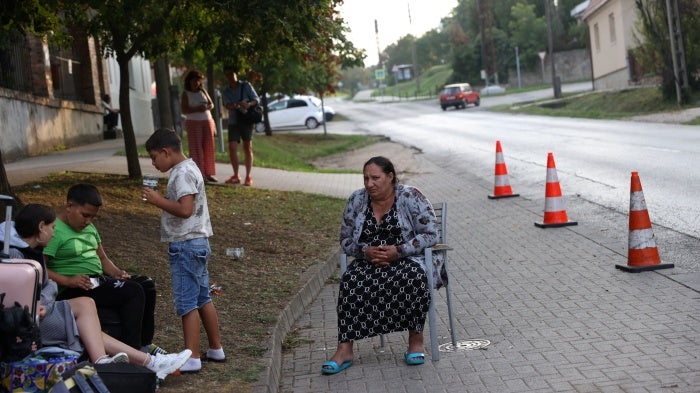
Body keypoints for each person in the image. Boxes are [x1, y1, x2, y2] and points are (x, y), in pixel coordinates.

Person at [2, 204, 192, 380]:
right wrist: (45, 300)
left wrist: (46, 297)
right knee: (88, 326)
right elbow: (22, 298)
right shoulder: (16, 256)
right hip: (29, 324)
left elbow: (47, 285)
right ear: (41, 227)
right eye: (52, 227)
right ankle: (143, 362)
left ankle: (119, 361)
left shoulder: (33, 251)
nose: (53, 233)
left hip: (42, 311)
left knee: (87, 304)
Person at [321, 156, 439, 374]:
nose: (369, 184)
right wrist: (364, 252)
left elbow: (431, 234)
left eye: (375, 178)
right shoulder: (356, 200)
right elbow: (345, 239)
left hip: (406, 260)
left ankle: (416, 341)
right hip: (369, 261)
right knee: (350, 280)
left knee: (413, 277)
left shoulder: (411, 196)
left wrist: (399, 251)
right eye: (366, 178)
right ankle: (344, 349)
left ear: (390, 177)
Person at [43, 183, 164, 355]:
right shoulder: (55, 231)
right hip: (75, 288)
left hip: (96, 280)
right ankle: (132, 350)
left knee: (146, 284)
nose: (88, 221)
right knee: (133, 291)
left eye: (92, 217)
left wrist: (117, 273)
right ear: (69, 206)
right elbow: (39, 267)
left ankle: (145, 344)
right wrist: (67, 280)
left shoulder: (89, 228)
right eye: (85, 215)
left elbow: (103, 258)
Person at [143, 128, 225, 374]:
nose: (154, 163)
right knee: (202, 297)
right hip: (198, 243)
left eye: (154, 157)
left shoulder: (181, 174)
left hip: (186, 246)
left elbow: (185, 209)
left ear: (166, 152)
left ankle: (192, 356)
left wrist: (157, 200)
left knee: (187, 302)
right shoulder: (191, 167)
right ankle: (215, 348)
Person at [222, 65, 259, 186]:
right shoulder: (226, 90)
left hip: (246, 120)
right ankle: (236, 175)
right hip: (233, 120)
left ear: (236, 74)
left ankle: (248, 176)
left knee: (247, 146)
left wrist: (248, 104)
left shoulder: (246, 85)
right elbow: (227, 105)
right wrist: (238, 103)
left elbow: (256, 99)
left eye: (231, 74)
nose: (230, 77)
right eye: (227, 74)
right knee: (232, 147)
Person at [180, 70, 218, 183]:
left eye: (198, 80)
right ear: (189, 81)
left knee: (208, 148)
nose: (196, 82)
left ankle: (209, 173)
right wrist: (197, 108)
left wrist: (206, 107)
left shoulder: (203, 91)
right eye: (194, 80)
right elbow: (184, 110)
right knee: (196, 149)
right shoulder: (186, 93)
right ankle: (199, 175)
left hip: (207, 121)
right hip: (193, 123)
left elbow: (211, 104)